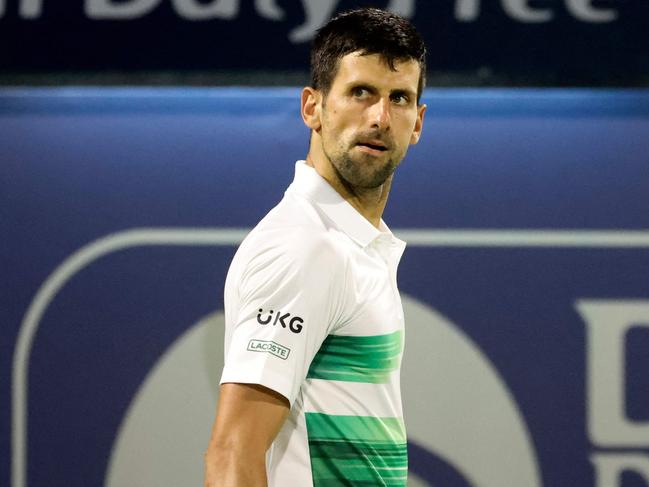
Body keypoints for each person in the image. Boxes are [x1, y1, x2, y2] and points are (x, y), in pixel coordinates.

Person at [204, 7, 427, 486]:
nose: (380, 117)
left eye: (399, 98)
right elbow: (231, 456)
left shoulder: (349, 246)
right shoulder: (306, 248)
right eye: (360, 93)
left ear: (418, 123)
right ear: (313, 107)